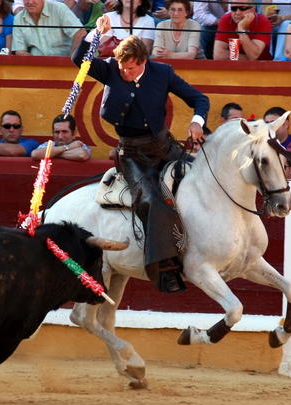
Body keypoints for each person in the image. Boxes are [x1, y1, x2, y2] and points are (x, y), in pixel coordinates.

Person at [73, 15, 210, 294]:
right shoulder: (110, 68)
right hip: (133, 154)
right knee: (152, 201)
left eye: (131, 69)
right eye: (122, 68)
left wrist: (197, 121)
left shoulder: (163, 72)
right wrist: (96, 33)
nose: (125, 73)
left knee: (207, 182)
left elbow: (200, 99)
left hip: (165, 147)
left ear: (143, 62)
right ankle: (167, 269)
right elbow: (79, 59)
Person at [12, 0, 86, 56]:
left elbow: (80, 33)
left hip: (64, 63)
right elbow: (19, 51)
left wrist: (71, 60)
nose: (30, 2)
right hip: (36, 67)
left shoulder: (59, 9)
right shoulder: (19, 18)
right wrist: (37, 64)